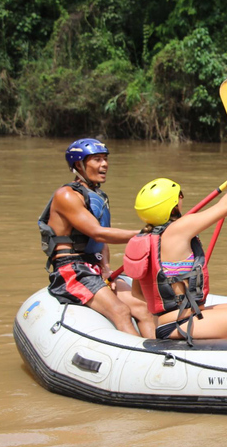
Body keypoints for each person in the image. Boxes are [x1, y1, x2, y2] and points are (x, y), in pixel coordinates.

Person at [122, 175, 227, 341]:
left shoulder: (146, 240)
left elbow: (138, 292)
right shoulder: (179, 228)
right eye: (180, 196)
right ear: (173, 206)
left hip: (174, 320)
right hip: (182, 323)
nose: (181, 200)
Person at [38, 138, 155, 338]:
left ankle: (160, 357)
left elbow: (101, 242)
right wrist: (144, 234)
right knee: (121, 311)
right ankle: (138, 360)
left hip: (94, 267)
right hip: (71, 270)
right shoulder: (66, 196)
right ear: (79, 165)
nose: (104, 164)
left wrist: (106, 268)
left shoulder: (98, 196)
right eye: (97, 160)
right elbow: (97, 232)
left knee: (143, 309)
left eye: (105, 159)